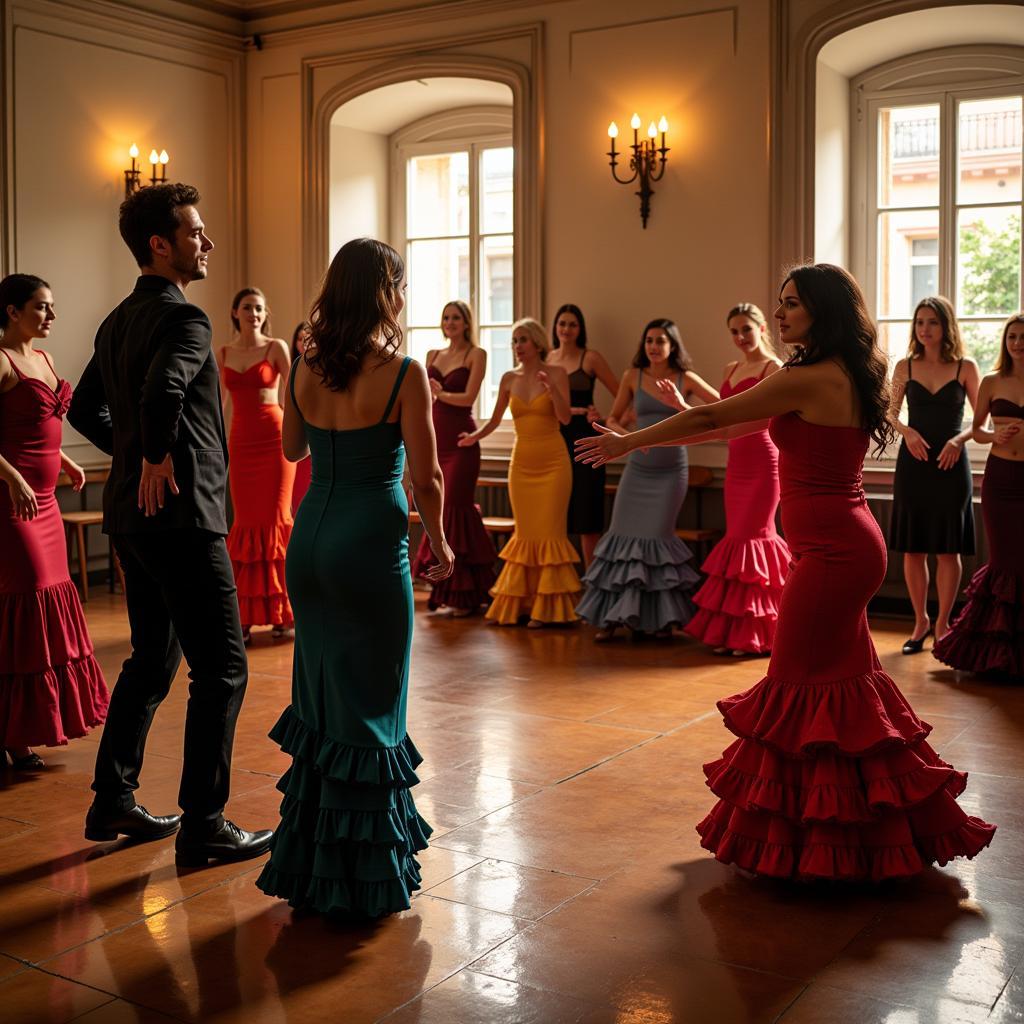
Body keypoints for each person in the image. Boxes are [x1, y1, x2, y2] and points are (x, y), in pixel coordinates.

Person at [577, 264, 995, 880]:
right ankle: (868, 831)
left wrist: (628, 444)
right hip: (843, 545)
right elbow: (736, 423)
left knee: (795, 681)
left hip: (832, 553)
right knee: (846, 685)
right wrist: (667, 427)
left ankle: (808, 839)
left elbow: (708, 420)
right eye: (778, 303)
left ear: (821, 312)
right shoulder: (838, 372)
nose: (779, 314)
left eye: (791, 305)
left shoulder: (811, 375)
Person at [69, 183, 272, 864]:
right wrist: (154, 453)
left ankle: (112, 799)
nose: (206, 242)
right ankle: (206, 822)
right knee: (222, 668)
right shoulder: (186, 321)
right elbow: (163, 392)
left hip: (132, 516)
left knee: (153, 660)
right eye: (195, 232)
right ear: (161, 244)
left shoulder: (118, 319)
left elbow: (83, 408)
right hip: (182, 516)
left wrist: (132, 455)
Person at [256, 238, 453, 918]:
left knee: (323, 701)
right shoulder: (403, 372)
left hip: (309, 540)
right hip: (372, 544)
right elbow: (426, 476)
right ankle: (363, 875)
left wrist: (302, 386)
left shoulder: (306, 365)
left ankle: (315, 865)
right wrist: (442, 542)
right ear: (388, 292)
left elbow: (291, 449)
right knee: (373, 702)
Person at [0, 274, 108, 770]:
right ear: (11, 311)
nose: (51, 316)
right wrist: (14, 480)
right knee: (27, 600)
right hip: (14, 502)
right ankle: (13, 735)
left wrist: (63, 459)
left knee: (52, 592)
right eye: (42, 307)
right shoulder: (0, 361)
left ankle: (29, 728)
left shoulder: (41, 359)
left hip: (46, 497)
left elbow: (40, 426)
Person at [576, 318, 716, 642]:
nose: (653, 346)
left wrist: (682, 407)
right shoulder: (632, 376)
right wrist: (633, 438)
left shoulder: (686, 378)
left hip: (670, 473)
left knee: (657, 539)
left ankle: (658, 620)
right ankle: (611, 618)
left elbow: (721, 409)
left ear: (672, 346)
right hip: (636, 470)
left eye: (660, 341)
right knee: (621, 538)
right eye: (649, 340)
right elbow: (612, 417)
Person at [459, 318, 581, 627]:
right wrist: (475, 437)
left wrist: (552, 390)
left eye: (522, 340)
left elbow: (566, 419)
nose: (517, 346)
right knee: (526, 533)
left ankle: (549, 610)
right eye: (514, 341)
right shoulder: (508, 378)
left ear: (538, 343)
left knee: (550, 533)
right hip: (522, 464)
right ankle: (523, 605)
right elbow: (496, 418)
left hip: (554, 462)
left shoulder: (557, 373)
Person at [685, 304, 789, 656]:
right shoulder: (730, 368)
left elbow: (768, 417)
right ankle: (737, 632)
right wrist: (680, 407)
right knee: (737, 537)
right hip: (736, 461)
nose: (740, 337)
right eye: (734, 331)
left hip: (763, 460)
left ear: (762, 328)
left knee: (754, 537)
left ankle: (764, 631)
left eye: (746, 329)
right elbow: (720, 418)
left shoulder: (774, 368)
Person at [934, 313, 1024, 678]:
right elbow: (977, 431)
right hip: (1000, 480)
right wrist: (995, 437)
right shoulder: (991, 380)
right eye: (1013, 336)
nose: (1018, 343)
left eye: (1023, 336)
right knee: (1004, 561)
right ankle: (995, 656)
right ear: (1006, 341)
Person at [888, 298, 980, 652]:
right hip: (914, 463)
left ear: (946, 327)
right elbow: (890, 415)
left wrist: (958, 440)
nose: (924, 329)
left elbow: (981, 419)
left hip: (951, 465)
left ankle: (942, 624)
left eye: (932, 323)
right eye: (920, 322)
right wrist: (907, 432)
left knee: (947, 550)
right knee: (912, 549)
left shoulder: (965, 367)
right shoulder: (904, 367)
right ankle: (919, 622)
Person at [217, 288, 295, 644]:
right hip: (241, 442)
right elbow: (217, 404)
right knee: (245, 524)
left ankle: (283, 614)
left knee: (276, 522)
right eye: (247, 307)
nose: (254, 313)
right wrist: (212, 445)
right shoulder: (224, 352)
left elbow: (294, 394)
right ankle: (245, 617)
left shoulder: (276, 347)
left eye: (260, 308)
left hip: (274, 440)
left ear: (265, 314)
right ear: (235, 312)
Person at [411, 301, 495, 615]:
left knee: (456, 508)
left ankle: (466, 596)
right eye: (446, 317)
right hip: (435, 439)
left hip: (462, 442)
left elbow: (468, 397)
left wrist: (439, 392)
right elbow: (422, 398)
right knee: (439, 510)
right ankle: (446, 592)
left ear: (466, 322)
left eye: (456, 317)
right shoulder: (432, 355)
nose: (450, 322)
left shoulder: (477, 354)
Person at [545, 304, 619, 567]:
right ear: (555, 327)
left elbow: (622, 392)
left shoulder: (591, 358)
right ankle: (559, 587)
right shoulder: (547, 359)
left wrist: (605, 418)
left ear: (580, 329)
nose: (566, 329)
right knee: (556, 514)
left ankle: (593, 584)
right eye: (562, 323)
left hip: (586, 442)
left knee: (588, 515)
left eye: (572, 324)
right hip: (553, 440)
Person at [290, 322, 312, 513]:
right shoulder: (290, 368)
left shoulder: (322, 371)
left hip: (316, 439)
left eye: (309, 337)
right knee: (296, 497)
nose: (304, 342)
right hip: (293, 437)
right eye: (300, 338)